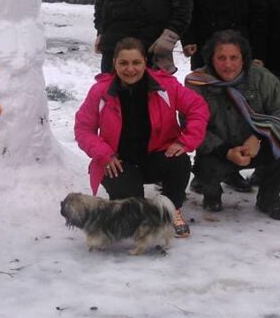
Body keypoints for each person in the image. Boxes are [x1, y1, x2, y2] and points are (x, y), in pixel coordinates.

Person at [74, 37, 209, 237]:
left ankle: (171, 210)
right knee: (132, 208)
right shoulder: (100, 92)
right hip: (119, 162)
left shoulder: (165, 86)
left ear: (145, 62)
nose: (130, 69)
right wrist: (104, 154)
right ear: (114, 63)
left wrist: (185, 141)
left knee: (179, 162)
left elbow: (198, 107)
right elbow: (83, 129)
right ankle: (137, 213)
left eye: (136, 62)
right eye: (123, 63)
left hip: (156, 156)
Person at [186, 30, 280, 220]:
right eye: (221, 58)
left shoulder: (261, 77)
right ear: (211, 59)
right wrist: (225, 151)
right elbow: (192, 128)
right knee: (206, 166)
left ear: (244, 58)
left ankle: (268, 197)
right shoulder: (196, 83)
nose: (228, 64)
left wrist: (259, 137)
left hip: (256, 145)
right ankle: (211, 193)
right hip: (218, 150)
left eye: (234, 57)